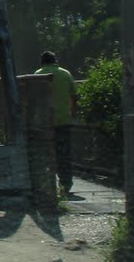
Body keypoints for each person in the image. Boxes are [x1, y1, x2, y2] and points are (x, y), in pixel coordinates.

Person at [35, 51, 78, 195]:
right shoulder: (66, 74)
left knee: (45, 153)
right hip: (63, 121)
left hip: (45, 123)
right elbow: (74, 96)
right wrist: (72, 113)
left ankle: (46, 184)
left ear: (42, 62)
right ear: (55, 61)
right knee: (64, 154)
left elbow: (33, 98)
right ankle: (66, 184)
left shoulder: (37, 75)